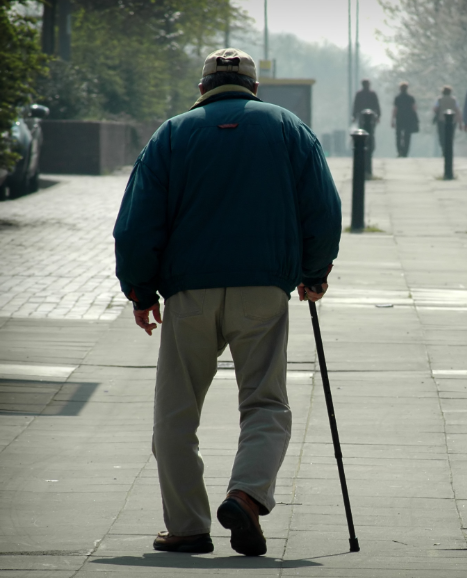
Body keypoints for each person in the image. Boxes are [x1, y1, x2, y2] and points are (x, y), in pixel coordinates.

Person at [112, 48, 342, 557]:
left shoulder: (172, 133)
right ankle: (247, 494)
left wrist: (139, 289)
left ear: (202, 89)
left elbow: (136, 222)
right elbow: (323, 208)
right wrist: (314, 272)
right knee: (265, 401)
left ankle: (188, 527)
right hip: (262, 291)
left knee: (176, 412)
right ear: (255, 89)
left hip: (188, 292)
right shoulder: (288, 128)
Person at [433, 85, 462, 157]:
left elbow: (435, 109)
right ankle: (449, 150)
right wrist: (460, 122)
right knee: (450, 135)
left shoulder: (439, 99)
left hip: (441, 120)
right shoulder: (454, 100)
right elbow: (457, 110)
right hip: (452, 120)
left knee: (442, 136)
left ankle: (444, 149)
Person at [391, 82, 418, 157]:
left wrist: (392, 120)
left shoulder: (397, 98)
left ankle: (399, 150)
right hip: (409, 119)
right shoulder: (411, 98)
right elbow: (414, 108)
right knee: (407, 136)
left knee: (398, 135)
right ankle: (405, 152)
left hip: (399, 118)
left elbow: (395, 109)